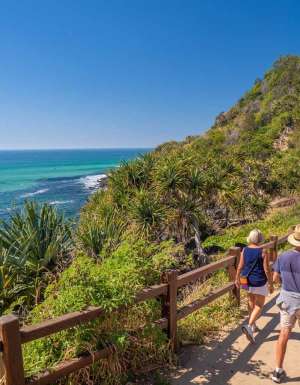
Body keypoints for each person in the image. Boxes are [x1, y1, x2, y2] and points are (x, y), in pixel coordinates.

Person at [271, 224, 300, 383]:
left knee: (284, 333)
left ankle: (277, 371)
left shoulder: (283, 256)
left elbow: (275, 278)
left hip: (287, 300)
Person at [235, 229, 273, 343]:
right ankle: (249, 325)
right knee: (259, 305)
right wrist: (270, 283)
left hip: (246, 280)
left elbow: (240, 266)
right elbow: (266, 269)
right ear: (260, 238)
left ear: (250, 238)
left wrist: (237, 279)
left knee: (251, 302)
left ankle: (253, 326)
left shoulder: (245, 250)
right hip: (259, 280)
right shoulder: (263, 251)